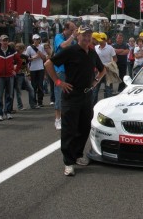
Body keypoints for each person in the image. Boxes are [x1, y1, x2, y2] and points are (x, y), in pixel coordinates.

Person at [44, 25, 106, 176]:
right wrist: (59, 83)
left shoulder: (92, 52)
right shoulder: (70, 51)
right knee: (69, 129)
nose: (86, 38)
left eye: (89, 35)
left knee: (84, 128)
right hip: (71, 95)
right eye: (84, 35)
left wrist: (95, 81)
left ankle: (77, 155)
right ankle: (68, 162)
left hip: (87, 96)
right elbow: (48, 64)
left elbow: (103, 69)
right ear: (78, 36)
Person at [52, 21, 77, 130]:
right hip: (59, 71)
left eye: (74, 30)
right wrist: (73, 36)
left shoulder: (72, 40)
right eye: (71, 30)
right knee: (59, 94)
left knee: (69, 94)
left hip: (69, 71)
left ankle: (66, 117)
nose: (73, 32)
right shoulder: (58, 37)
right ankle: (57, 119)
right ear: (65, 29)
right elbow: (63, 45)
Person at [0, 34, 22, 121]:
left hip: (10, 76)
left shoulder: (12, 51)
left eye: (6, 40)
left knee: (9, 95)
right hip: (0, 76)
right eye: (3, 40)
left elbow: (19, 61)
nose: (5, 42)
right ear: (0, 41)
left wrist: (15, 71)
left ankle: (8, 112)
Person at [92, 32, 117, 105]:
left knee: (108, 89)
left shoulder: (110, 48)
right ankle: (93, 106)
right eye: (100, 39)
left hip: (108, 71)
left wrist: (110, 65)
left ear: (105, 40)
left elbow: (115, 59)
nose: (100, 41)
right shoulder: (96, 47)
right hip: (98, 71)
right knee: (95, 88)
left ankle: (108, 105)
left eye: (102, 39)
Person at [25, 34, 47, 107]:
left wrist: (39, 55)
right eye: (35, 39)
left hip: (40, 68)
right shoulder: (29, 48)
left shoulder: (41, 47)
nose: (37, 41)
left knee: (40, 85)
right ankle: (33, 102)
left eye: (38, 39)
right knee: (33, 86)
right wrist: (32, 58)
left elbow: (44, 58)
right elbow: (26, 58)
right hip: (32, 69)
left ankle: (40, 101)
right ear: (33, 40)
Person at [14, 43, 37, 110]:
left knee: (31, 89)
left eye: (20, 48)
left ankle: (32, 105)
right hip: (17, 75)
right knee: (18, 91)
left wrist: (28, 74)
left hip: (23, 75)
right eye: (17, 47)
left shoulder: (24, 56)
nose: (18, 49)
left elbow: (26, 66)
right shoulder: (14, 56)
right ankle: (20, 106)